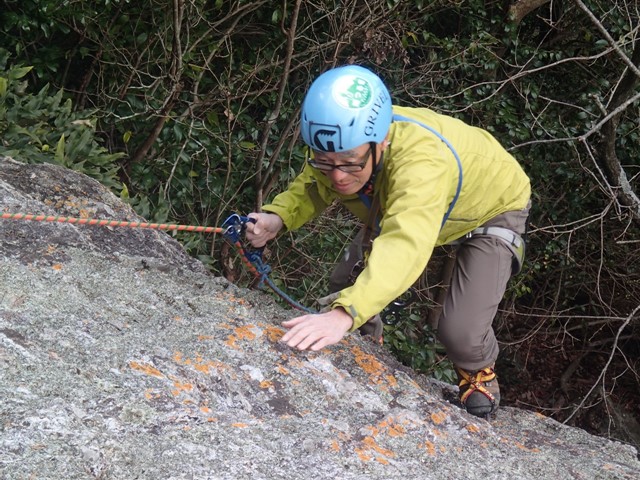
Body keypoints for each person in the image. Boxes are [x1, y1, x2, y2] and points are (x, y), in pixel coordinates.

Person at [245, 65, 531, 418]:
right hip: (403, 201)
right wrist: (278, 218)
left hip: (491, 208)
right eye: (325, 161)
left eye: (349, 164)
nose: (337, 176)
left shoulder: (421, 165)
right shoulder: (346, 147)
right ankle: (367, 347)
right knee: (344, 282)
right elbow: (311, 186)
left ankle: (478, 372)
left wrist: (342, 316)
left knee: (460, 331)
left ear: (381, 142)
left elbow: (404, 245)